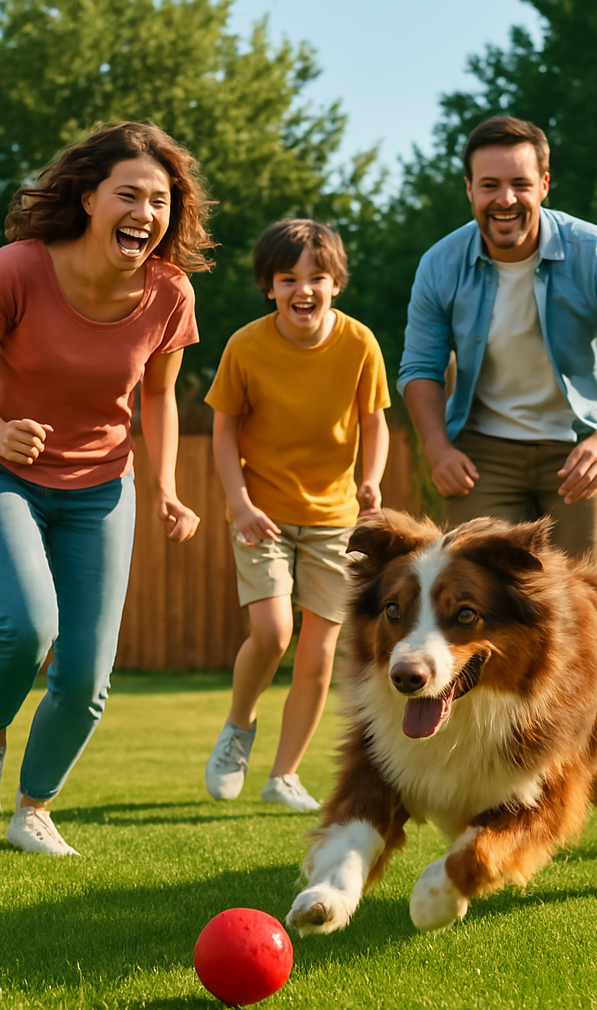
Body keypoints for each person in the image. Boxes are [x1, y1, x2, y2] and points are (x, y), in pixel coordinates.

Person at [0, 121, 213, 855]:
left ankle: (34, 808)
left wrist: (167, 487)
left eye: (160, 202)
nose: (146, 214)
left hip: (100, 487)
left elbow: (157, 398)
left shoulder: (169, 293)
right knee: (29, 625)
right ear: (90, 198)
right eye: (130, 195)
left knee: (88, 670)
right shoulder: (19, 269)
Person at [398, 116, 597, 567]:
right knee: (476, 592)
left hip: (580, 447)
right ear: (469, 190)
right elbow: (420, 368)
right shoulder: (439, 265)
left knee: (568, 605)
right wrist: (437, 449)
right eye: (489, 185)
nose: (505, 199)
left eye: (520, 184)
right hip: (482, 454)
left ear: (544, 185)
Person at [203, 219, 390, 811]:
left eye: (316, 277)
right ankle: (239, 726)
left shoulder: (360, 343)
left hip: (336, 519)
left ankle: (284, 774)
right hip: (263, 514)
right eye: (288, 279)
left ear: (336, 283)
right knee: (274, 632)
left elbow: (374, 421)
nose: (302, 289)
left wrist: (371, 481)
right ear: (269, 286)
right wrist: (238, 502)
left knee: (320, 652)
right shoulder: (246, 346)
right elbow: (224, 428)